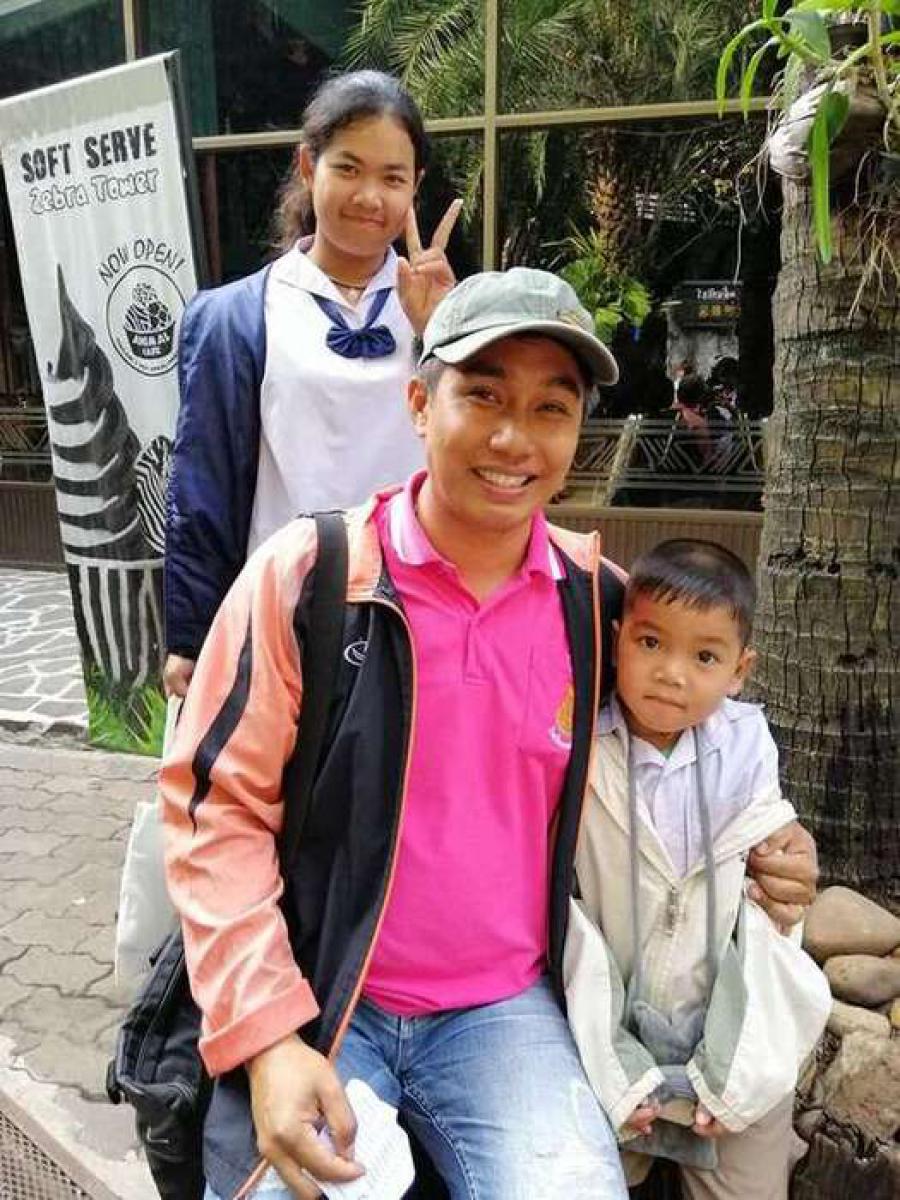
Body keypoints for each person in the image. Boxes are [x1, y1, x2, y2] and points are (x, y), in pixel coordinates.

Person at [160, 269, 818, 1200]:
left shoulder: (602, 610)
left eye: (552, 408)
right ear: (419, 404)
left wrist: (776, 845)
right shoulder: (313, 579)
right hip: (327, 997)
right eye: (483, 396)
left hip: (505, 1010)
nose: (515, 439)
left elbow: (700, 746)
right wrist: (268, 1037)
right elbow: (213, 807)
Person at [163, 69, 461, 698]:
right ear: (307, 165)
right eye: (348, 168)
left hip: (415, 616)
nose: (370, 196)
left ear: (416, 186)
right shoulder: (234, 317)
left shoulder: (447, 313)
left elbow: (472, 457)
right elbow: (202, 484)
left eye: (393, 178)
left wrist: (443, 334)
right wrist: (191, 636)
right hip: (279, 617)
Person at [564, 539, 831, 1200]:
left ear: (740, 671)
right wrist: (611, 1059)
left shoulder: (746, 748)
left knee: (746, 1179)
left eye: (705, 657)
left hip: (725, 1023)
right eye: (651, 643)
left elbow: (767, 917)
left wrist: (734, 1074)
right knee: (582, 1170)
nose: (671, 673)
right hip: (602, 1025)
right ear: (618, 641)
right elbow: (569, 923)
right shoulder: (581, 746)